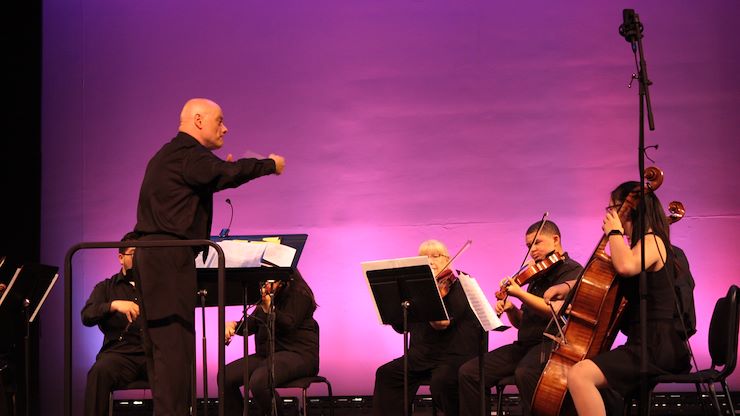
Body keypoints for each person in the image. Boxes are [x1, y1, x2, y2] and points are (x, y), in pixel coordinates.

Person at [133, 98, 286, 415]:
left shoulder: (174, 157)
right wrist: (269, 165)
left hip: (158, 260)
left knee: (167, 356)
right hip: (167, 260)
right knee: (173, 355)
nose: (225, 127)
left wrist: (217, 173)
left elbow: (210, 178)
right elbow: (225, 173)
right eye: (220, 120)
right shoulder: (188, 154)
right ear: (198, 120)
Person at [561, 181, 691, 416]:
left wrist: (614, 232)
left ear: (628, 209)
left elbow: (624, 266)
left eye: (613, 208)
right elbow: (610, 275)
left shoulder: (654, 241)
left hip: (657, 345)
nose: (610, 214)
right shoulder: (640, 245)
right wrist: (570, 287)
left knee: (580, 375)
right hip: (644, 342)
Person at [458, 220, 582, 416]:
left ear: (556, 239)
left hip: (552, 344)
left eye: (537, 243)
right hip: (525, 345)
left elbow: (553, 310)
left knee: (525, 373)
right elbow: (522, 322)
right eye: (528, 246)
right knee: (469, 372)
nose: (532, 250)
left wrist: (519, 293)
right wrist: (511, 310)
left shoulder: (572, 271)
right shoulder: (537, 274)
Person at [373, 240, 481, 416]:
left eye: (436, 256)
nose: (430, 260)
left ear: (447, 259)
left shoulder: (459, 285)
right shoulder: (413, 288)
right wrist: (392, 308)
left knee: (442, 381)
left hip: (453, 355)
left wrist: (427, 297)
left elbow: (442, 324)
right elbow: (402, 328)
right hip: (422, 355)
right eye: (425, 257)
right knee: (387, 374)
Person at [220, 271, 319, 416]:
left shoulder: (299, 293)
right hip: (268, 355)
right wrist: (233, 325)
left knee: (259, 381)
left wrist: (270, 309)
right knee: (225, 377)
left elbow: (288, 324)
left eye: (269, 280)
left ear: (283, 280)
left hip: (298, 355)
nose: (265, 284)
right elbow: (251, 325)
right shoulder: (266, 296)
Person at [80, 231, 146, 416]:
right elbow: (87, 316)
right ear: (121, 257)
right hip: (119, 355)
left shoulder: (154, 287)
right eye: (134, 253)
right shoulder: (106, 287)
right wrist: (113, 305)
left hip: (151, 353)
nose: (140, 258)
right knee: (99, 372)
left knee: (175, 369)